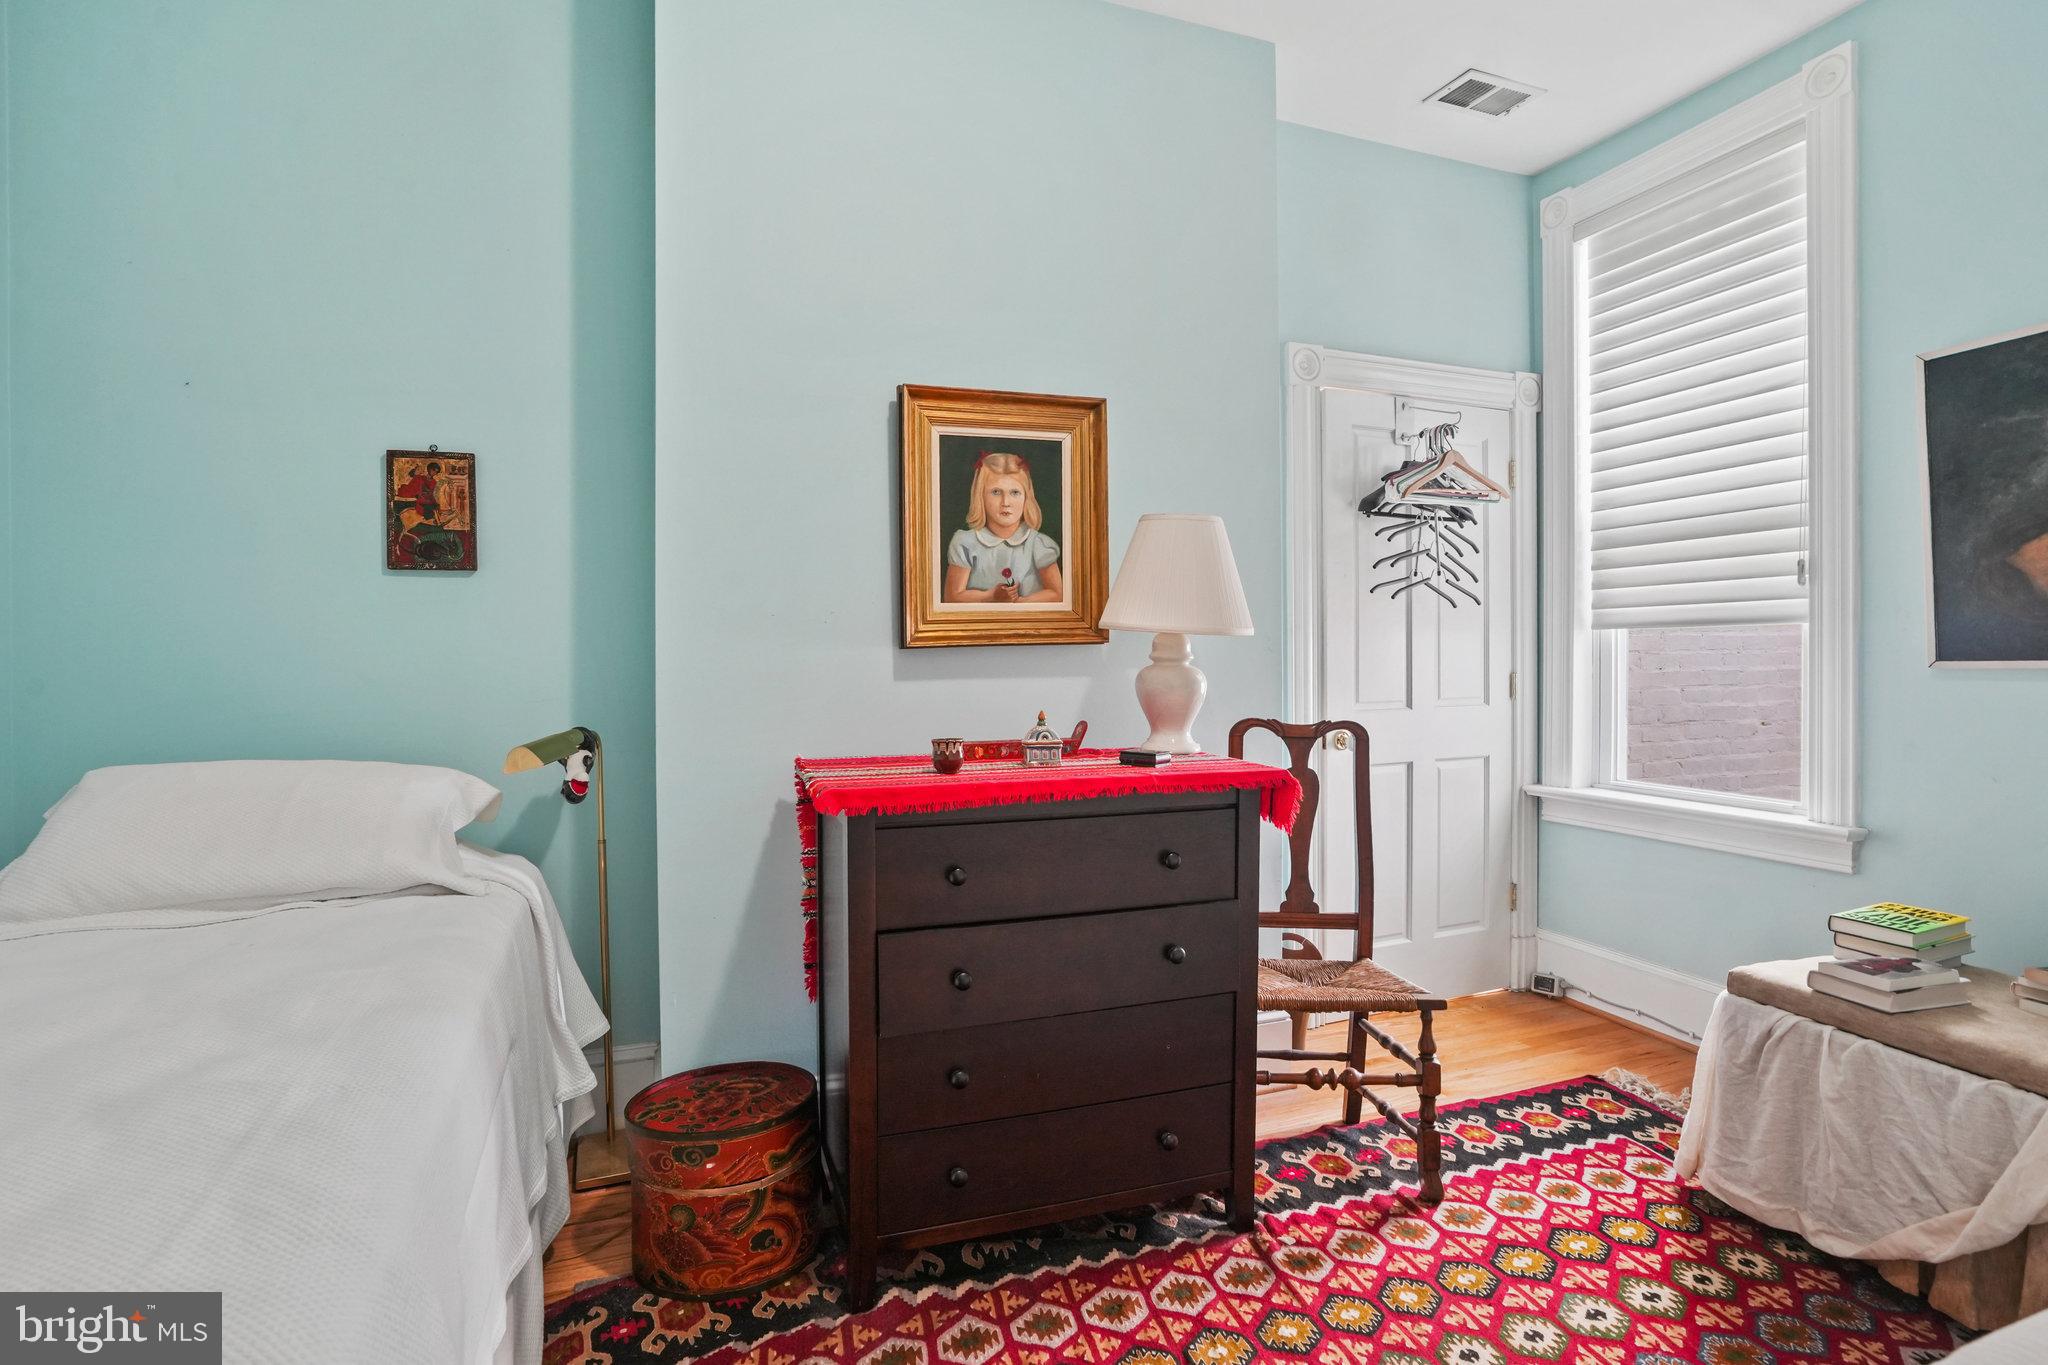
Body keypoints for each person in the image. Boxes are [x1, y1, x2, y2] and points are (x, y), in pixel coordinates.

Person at [942, 451, 1063, 603]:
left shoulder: (1038, 544)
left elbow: (1057, 594)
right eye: (996, 492)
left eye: (1015, 492)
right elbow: (952, 597)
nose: (1006, 502)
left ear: (1026, 497)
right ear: (981, 497)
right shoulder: (965, 543)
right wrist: (990, 596)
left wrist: (1021, 603)